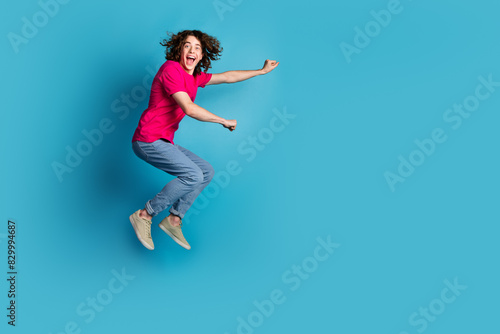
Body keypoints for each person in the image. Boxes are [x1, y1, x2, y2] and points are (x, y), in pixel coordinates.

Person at [129, 29, 279, 251]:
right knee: (192, 174)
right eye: (187, 46)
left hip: (163, 141)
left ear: (201, 55)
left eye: (197, 48)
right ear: (179, 50)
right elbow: (188, 108)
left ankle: (174, 220)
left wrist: (261, 71)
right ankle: (145, 214)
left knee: (206, 171)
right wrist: (222, 120)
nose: (192, 50)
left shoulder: (194, 77)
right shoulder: (170, 69)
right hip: (147, 139)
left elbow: (227, 77)